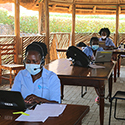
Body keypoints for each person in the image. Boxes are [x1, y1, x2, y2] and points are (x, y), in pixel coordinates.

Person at [83, 37, 104, 104]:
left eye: (97, 43)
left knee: (100, 80)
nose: (95, 45)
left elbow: (104, 57)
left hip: (99, 68)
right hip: (88, 69)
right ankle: (100, 96)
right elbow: (82, 59)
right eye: (94, 43)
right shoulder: (87, 49)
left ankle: (100, 95)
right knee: (96, 80)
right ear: (90, 44)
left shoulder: (100, 49)